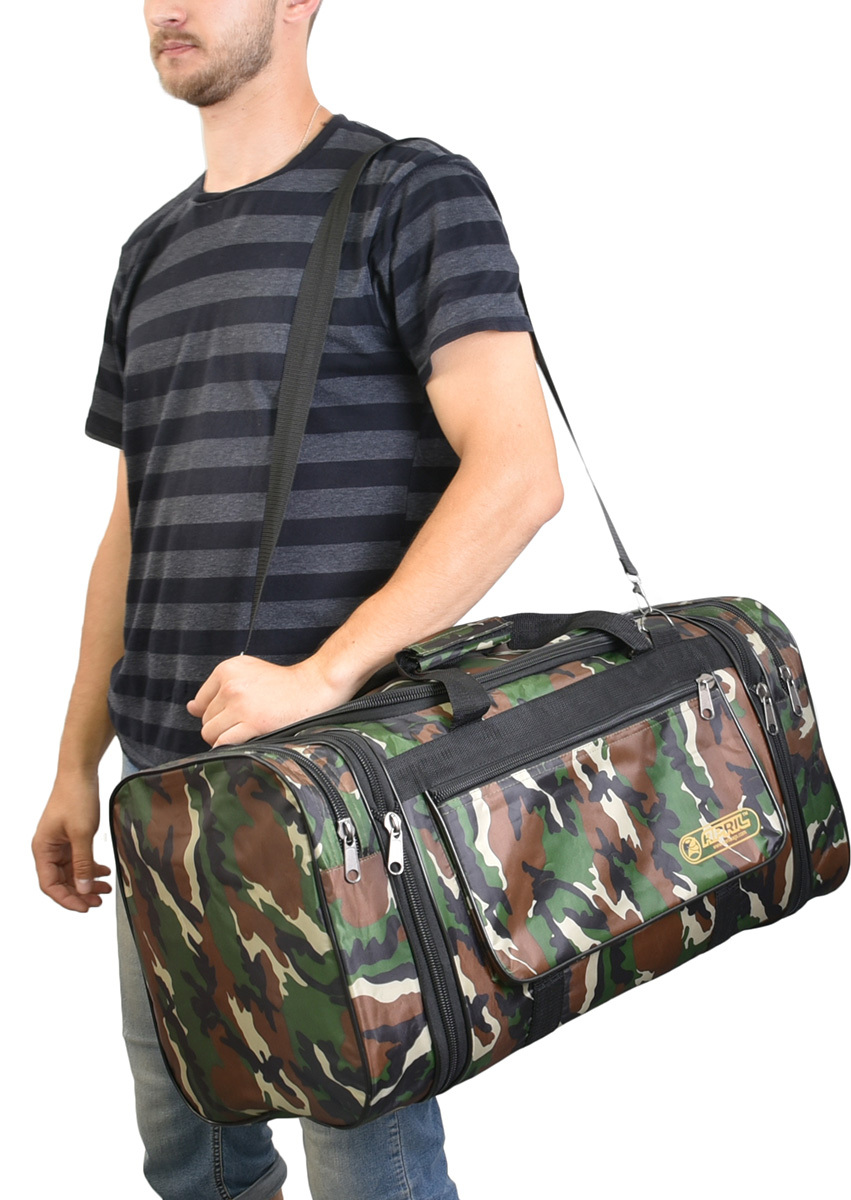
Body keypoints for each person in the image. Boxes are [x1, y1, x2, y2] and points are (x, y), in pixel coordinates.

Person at [31, 1, 563, 1198]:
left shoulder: (409, 194)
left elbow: (520, 473)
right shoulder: (149, 254)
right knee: (192, 1163)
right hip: (163, 797)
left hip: (337, 799)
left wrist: (322, 675)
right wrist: (74, 761)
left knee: (369, 1170)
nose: (167, 5)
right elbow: (132, 530)